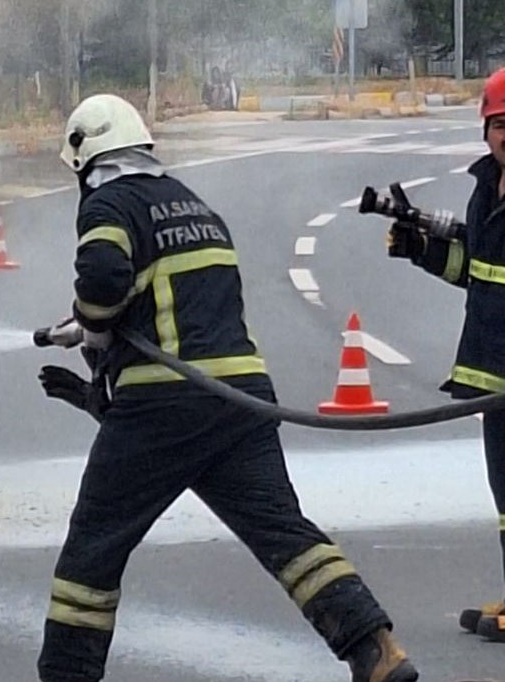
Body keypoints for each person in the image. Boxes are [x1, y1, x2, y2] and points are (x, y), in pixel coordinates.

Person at [34, 93, 418, 682]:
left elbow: (106, 277)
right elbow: (168, 303)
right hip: (240, 403)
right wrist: (93, 334)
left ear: (89, 160)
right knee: (286, 536)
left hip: (165, 407)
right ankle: (374, 649)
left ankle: (66, 675)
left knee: (93, 548)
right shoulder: (192, 204)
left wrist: (92, 324)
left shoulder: (111, 202)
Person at [384, 67, 505, 643]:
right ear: (485, 130)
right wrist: (422, 251)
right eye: (500, 124)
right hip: (493, 373)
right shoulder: (487, 189)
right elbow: (480, 276)